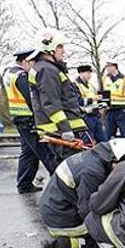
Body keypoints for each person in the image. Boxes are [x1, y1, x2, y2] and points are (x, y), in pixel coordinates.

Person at [39, 138, 125, 248]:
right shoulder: (92, 172)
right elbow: (88, 210)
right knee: (113, 242)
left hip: (58, 208)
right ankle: (59, 247)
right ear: (113, 159)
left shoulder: (95, 157)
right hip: (62, 218)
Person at [28, 28, 89, 163]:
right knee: (76, 172)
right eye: (60, 46)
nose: (63, 51)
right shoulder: (47, 70)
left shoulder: (46, 68)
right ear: (49, 48)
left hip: (60, 130)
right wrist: (65, 129)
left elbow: (63, 99)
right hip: (60, 132)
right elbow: (51, 104)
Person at [3, 49, 58, 194]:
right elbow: (32, 99)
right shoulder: (21, 76)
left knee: (28, 153)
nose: (34, 67)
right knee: (46, 152)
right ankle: (59, 184)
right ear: (26, 61)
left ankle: (24, 184)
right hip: (29, 120)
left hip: (20, 119)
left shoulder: (10, 73)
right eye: (32, 63)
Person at [74, 64, 107, 143]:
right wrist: (93, 98)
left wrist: (100, 107)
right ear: (81, 73)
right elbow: (79, 101)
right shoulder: (75, 85)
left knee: (103, 140)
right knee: (88, 142)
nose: (90, 75)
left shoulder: (90, 85)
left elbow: (96, 101)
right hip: (85, 117)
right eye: (88, 73)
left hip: (95, 116)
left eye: (90, 73)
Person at [102, 61, 125, 139]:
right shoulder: (104, 79)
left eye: (108, 66)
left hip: (122, 111)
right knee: (108, 135)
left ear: (114, 67)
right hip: (109, 111)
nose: (107, 68)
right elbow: (102, 94)